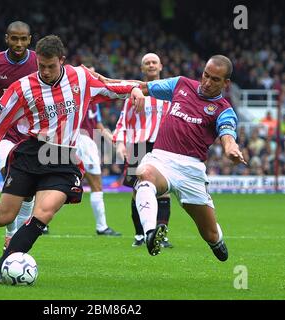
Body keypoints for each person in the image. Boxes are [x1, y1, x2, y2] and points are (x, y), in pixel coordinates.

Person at [0, 35, 145, 283]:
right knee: (4, 217)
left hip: (63, 157)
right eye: (41, 66)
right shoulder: (22, 87)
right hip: (31, 153)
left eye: (51, 66)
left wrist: (136, 87)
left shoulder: (80, 77)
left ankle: (0, 267)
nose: (45, 72)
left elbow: (112, 87)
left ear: (62, 60)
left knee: (42, 214)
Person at [93, 55, 246, 260]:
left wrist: (231, 148)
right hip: (161, 158)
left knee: (209, 233)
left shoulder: (223, 110)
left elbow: (228, 134)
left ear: (226, 83)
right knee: (144, 174)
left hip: (191, 171)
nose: (207, 82)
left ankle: (216, 241)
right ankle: (149, 233)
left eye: (215, 80)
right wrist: (107, 81)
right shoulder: (181, 84)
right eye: (206, 75)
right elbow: (143, 87)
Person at [0, 21, 44, 250]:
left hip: (32, 133)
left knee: (28, 190)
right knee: (11, 177)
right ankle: (11, 236)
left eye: (23, 39)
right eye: (14, 38)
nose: (19, 43)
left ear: (30, 39)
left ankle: (10, 233)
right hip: (4, 133)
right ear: (7, 38)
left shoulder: (39, 61)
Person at [113, 53, 172, 248]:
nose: (151, 65)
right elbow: (123, 121)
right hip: (138, 146)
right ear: (142, 69)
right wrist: (120, 143)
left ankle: (161, 235)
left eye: (154, 62)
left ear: (161, 66)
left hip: (162, 146)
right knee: (137, 191)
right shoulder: (135, 93)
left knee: (163, 191)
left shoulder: (171, 92)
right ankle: (140, 235)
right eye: (147, 63)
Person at [77, 98, 121, 236]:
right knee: (96, 185)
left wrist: (110, 137)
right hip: (81, 141)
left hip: (79, 141)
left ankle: (42, 224)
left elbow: (97, 123)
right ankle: (102, 227)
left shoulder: (93, 103)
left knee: (58, 183)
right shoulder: (78, 97)